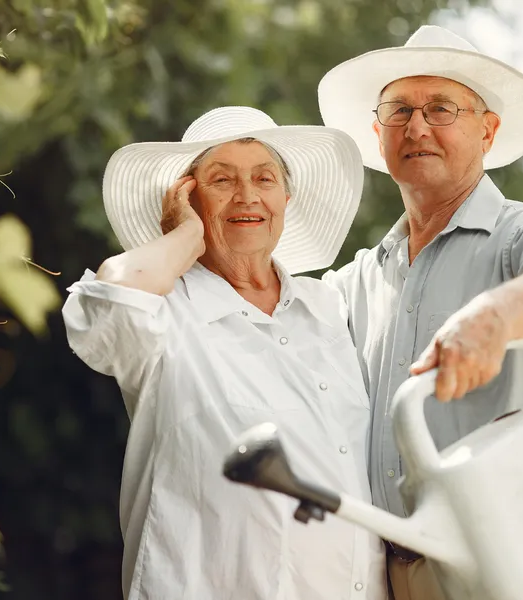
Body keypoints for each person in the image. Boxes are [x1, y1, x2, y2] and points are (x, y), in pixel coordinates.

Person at [317, 25, 523, 600]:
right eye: (399, 110)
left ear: (487, 130)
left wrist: (494, 317)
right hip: (398, 574)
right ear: (377, 132)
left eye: (442, 108)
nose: (416, 126)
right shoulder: (354, 281)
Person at [61, 106, 386, 600]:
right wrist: (185, 235)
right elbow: (111, 303)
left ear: (286, 196)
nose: (248, 195)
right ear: (188, 196)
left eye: (264, 177)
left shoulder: (331, 308)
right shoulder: (165, 310)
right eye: (222, 180)